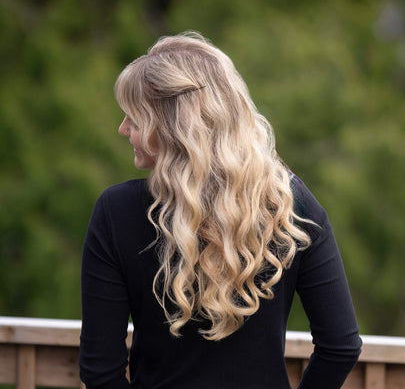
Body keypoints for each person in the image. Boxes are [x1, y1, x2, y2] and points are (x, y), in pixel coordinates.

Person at [79, 31, 362, 389]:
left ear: (172, 127)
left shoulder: (116, 211)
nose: (123, 129)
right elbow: (341, 347)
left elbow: (99, 372)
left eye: (134, 119)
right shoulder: (289, 204)